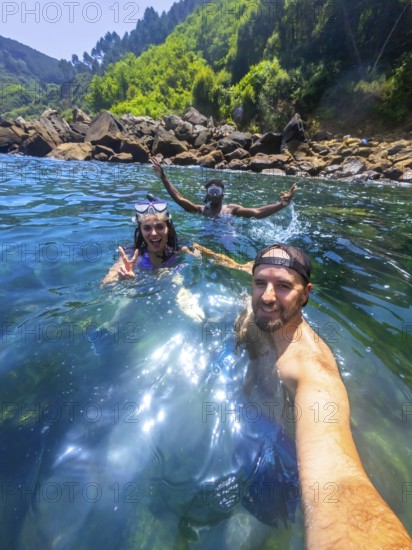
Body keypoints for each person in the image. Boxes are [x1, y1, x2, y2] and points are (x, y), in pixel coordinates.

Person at [235, 244, 412, 548]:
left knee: (263, 522)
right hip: (256, 419)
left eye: (283, 287)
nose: (266, 296)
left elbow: (339, 482)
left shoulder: (312, 370)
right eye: (260, 282)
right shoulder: (261, 315)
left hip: (286, 457)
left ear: (305, 294)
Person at [101, 196, 243, 286]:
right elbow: (105, 284)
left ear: (168, 228)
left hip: (178, 289)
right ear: (141, 231)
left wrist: (239, 267)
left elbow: (213, 256)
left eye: (160, 227)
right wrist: (125, 279)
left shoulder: (181, 248)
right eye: (147, 228)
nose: (154, 233)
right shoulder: (131, 255)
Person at [150, 156, 298, 218]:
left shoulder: (231, 210)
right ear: (207, 194)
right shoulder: (202, 210)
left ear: (222, 194)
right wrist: (163, 177)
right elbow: (179, 199)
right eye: (211, 191)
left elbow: (257, 212)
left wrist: (281, 204)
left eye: (217, 191)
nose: (214, 194)